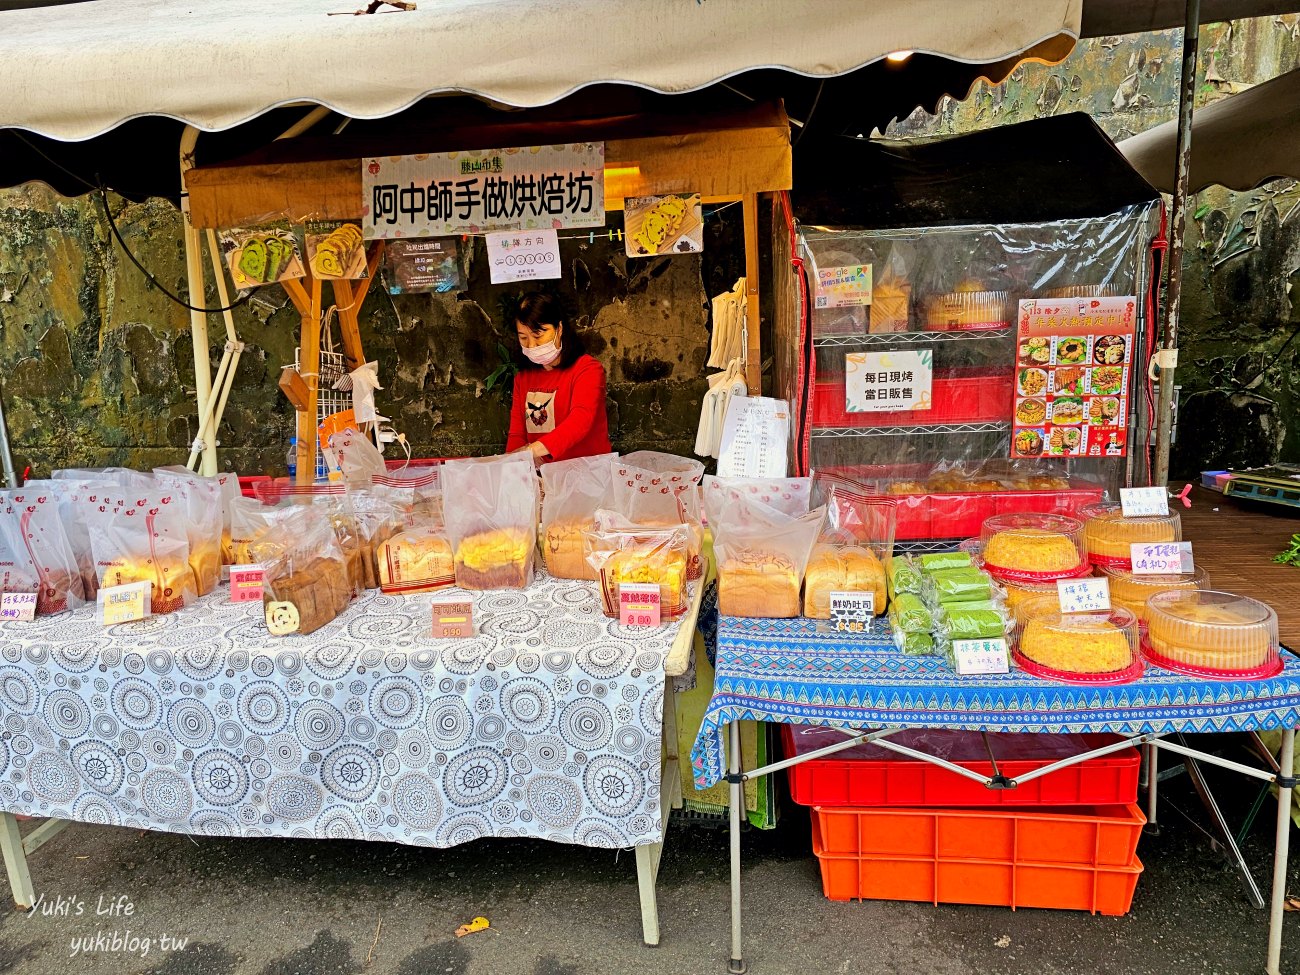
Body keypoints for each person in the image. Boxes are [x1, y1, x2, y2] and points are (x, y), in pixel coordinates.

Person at [506, 291, 612, 464]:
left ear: (559, 329)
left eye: (538, 335)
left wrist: (531, 450)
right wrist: (514, 468)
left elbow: (580, 421)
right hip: (545, 478)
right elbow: (517, 435)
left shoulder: (587, 369)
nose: (532, 345)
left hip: (588, 474)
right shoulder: (523, 378)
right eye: (523, 337)